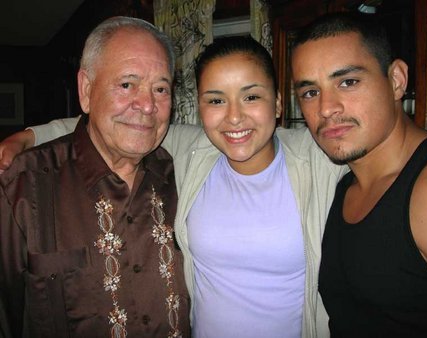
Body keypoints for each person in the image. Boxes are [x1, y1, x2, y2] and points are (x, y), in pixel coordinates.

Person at [0, 36, 348, 338]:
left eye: (251, 97)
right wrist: (30, 136)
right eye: (215, 100)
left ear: (277, 104)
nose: (234, 117)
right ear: (199, 109)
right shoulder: (194, 150)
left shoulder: (318, 158)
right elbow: (115, 123)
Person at [0, 16, 190, 338]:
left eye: (160, 88)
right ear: (86, 90)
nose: (147, 105)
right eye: (127, 84)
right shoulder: (21, 188)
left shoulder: (188, 174)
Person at [290, 12, 427, 337]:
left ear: (396, 80)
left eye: (347, 82)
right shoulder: (345, 186)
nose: (326, 108)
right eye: (310, 92)